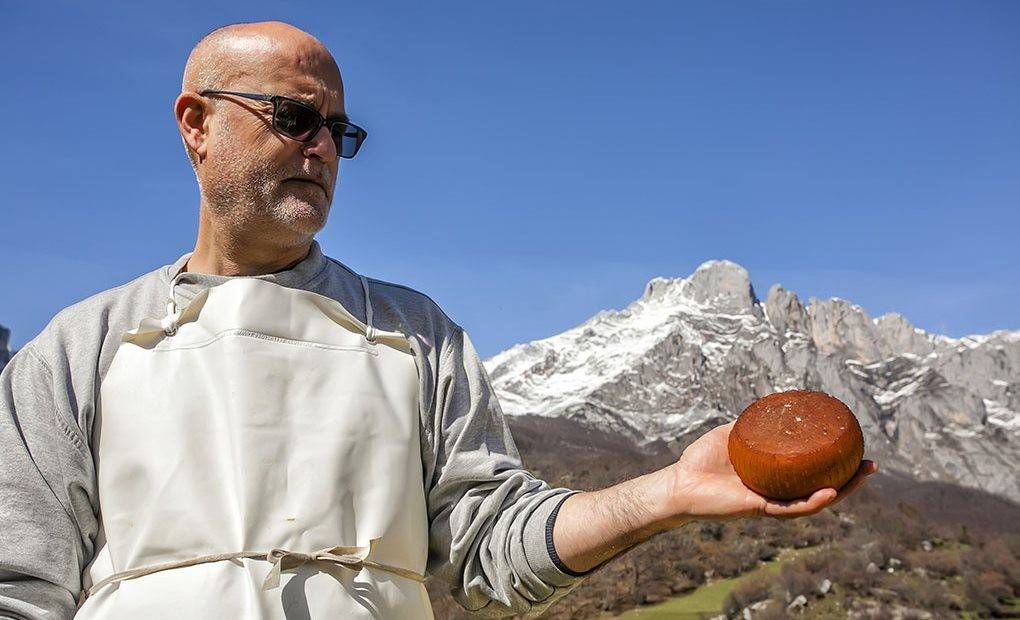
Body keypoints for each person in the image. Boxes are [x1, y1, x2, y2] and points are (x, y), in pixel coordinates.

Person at [0, 20, 876, 620]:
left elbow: (492, 550)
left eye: (336, 132)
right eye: (293, 117)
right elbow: (19, 589)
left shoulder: (415, 335)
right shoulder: (81, 348)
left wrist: (668, 495)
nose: (318, 147)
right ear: (196, 124)